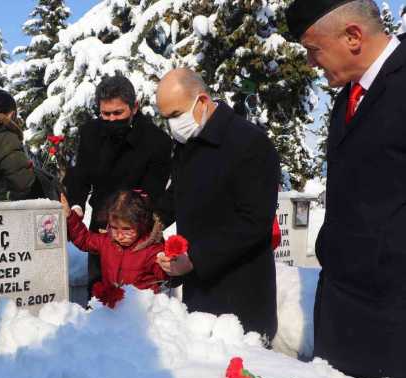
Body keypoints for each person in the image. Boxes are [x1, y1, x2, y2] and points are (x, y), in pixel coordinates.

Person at [287, 0, 406, 378]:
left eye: (312, 49)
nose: (310, 63)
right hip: (342, 311)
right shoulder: (349, 97)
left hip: (392, 320)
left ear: (353, 36)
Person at [154, 68, 280, 341]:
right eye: (166, 119)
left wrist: (196, 258)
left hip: (242, 294)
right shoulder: (188, 142)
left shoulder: (249, 143)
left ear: (201, 101)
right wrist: (155, 219)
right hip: (199, 289)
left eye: (176, 115)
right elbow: (180, 190)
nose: (172, 125)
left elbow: (254, 222)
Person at [63, 75, 172, 295]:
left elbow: (155, 190)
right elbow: (80, 174)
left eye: (118, 113)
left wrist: (137, 225)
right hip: (103, 221)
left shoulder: (156, 140)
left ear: (134, 107)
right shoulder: (91, 133)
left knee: (140, 292)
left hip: (139, 226)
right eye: (106, 114)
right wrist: (76, 204)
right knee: (98, 291)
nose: (112, 120)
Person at [62, 190, 168, 293]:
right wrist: (70, 217)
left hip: (140, 307)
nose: (120, 235)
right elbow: (84, 239)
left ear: (141, 225)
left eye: (126, 229)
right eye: (114, 227)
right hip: (113, 304)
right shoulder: (107, 242)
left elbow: (165, 275)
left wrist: (169, 262)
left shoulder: (151, 250)